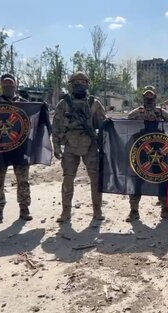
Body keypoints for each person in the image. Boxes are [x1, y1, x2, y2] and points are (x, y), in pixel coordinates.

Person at [52, 71, 106, 222]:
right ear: (71, 85)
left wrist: (104, 145)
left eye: (83, 82)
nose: (80, 84)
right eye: (76, 82)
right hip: (70, 144)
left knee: (95, 179)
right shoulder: (63, 104)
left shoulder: (95, 103)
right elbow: (56, 126)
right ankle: (66, 212)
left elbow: (104, 125)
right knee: (68, 179)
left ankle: (97, 211)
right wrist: (56, 146)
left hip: (90, 145)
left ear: (88, 84)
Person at [0, 73, 33, 224]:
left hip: (19, 148)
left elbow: (32, 124)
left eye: (11, 84)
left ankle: (24, 209)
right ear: (1, 85)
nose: (8, 87)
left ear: (16, 85)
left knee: (23, 180)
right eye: (5, 84)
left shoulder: (24, 104)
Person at [125, 85, 168, 222]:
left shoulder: (162, 112)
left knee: (163, 179)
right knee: (135, 180)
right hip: (141, 152)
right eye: (146, 96)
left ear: (155, 97)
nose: (149, 98)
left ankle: (165, 209)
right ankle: (134, 211)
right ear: (143, 97)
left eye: (151, 96)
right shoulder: (137, 112)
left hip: (160, 151)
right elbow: (125, 123)